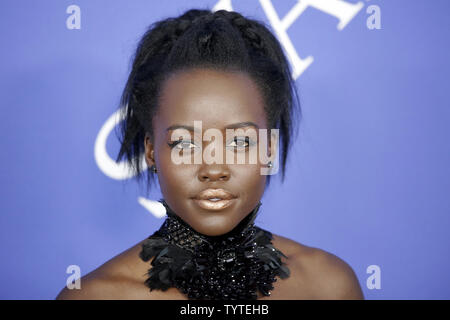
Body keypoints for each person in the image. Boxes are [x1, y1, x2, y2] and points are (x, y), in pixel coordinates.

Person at [56, 8, 364, 300]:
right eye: (185, 144)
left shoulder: (328, 285)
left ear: (269, 149)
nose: (213, 168)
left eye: (240, 142)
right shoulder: (94, 295)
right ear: (151, 152)